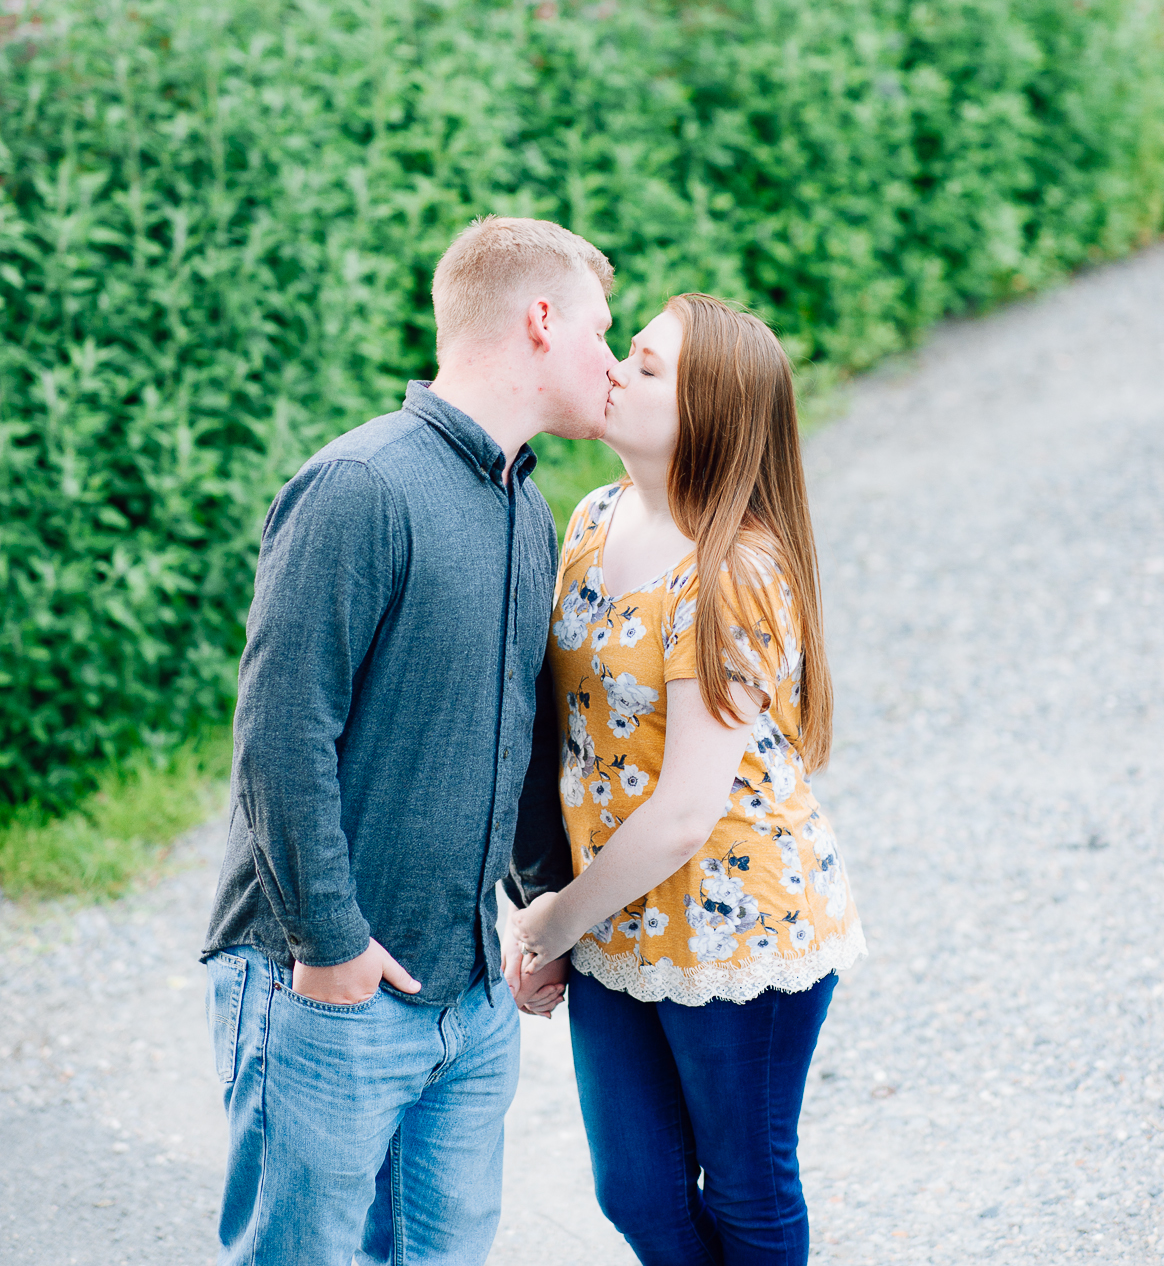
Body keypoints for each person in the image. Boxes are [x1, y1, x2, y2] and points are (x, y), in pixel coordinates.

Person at [201, 215, 614, 1266]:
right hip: (326, 983)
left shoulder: (529, 505)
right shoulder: (360, 485)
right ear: (539, 319)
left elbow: (513, 737)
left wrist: (541, 912)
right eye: (599, 334)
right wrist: (330, 945)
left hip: (466, 1001)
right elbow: (279, 736)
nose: (607, 364)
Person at [510, 293, 866, 1266]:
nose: (617, 368)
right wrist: (553, 903)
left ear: (707, 415)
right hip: (615, 919)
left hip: (737, 923)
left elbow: (681, 814)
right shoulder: (591, 517)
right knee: (636, 1190)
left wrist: (552, 923)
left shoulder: (737, 572)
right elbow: (556, 741)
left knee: (746, 1192)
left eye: (649, 365)